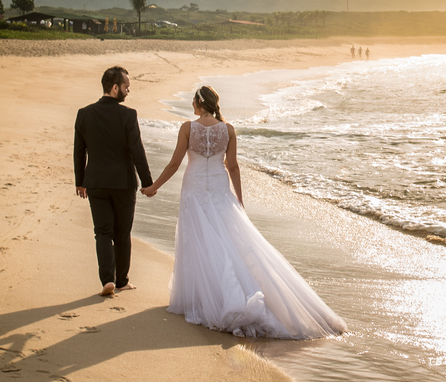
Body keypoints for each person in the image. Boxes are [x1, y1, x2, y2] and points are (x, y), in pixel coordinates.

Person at [141, 85, 347, 339]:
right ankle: (227, 293)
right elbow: (233, 166)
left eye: (193, 101)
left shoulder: (187, 128)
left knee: (199, 241)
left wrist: (154, 187)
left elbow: (175, 163)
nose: (192, 105)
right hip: (219, 187)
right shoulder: (228, 129)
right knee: (226, 241)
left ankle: (208, 298)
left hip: (194, 187)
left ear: (199, 102)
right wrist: (239, 199)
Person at [74, 66, 154, 297]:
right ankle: (122, 281)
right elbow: (137, 151)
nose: (128, 91)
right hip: (123, 183)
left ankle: (107, 279)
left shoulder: (84, 114)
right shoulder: (128, 115)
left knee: (102, 232)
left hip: (96, 182)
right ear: (115, 87)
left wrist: (80, 181)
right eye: (126, 86)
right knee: (122, 233)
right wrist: (147, 182)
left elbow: (79, 151)